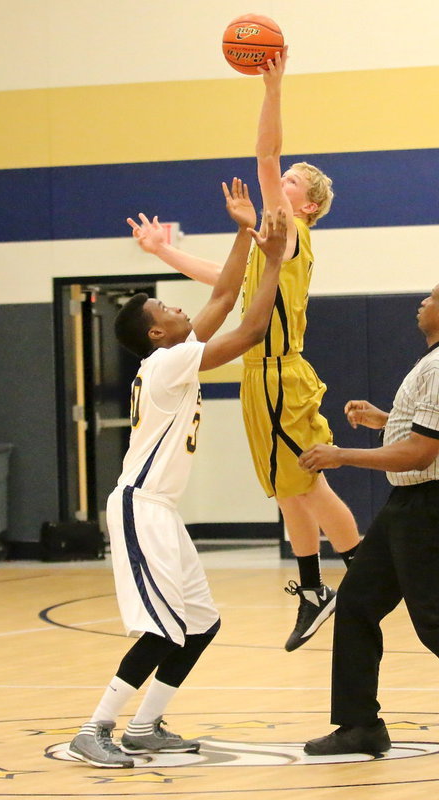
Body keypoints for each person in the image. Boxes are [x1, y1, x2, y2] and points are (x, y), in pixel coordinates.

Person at [126, 47, 360, 653]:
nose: (278, 188)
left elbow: (265, 153)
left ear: (306, 206)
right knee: (286, 487)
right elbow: (218, 278)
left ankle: (365, 573)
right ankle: (313, 589)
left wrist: (273, 90)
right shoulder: (266, 247)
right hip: (261, 375)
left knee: (309, 484)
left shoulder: (291, 230)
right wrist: (160, 253)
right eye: (283, 183)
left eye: (289, 186)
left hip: (281, 370)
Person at [68, 182, 287, 768]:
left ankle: (144, 726)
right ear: (156, 333)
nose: (179, 307)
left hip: (160, 510)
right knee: (167, 630)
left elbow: (221, 292)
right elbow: (250, 330)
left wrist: (244, 229)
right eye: (167, 310)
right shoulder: (167, 363)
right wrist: (272, 264)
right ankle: (95, 728)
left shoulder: (173, 353)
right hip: (140, 507)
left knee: (201, 625)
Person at [299, 279, 439, 755]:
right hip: (411, 507)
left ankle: (360, 726)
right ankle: (360, 727)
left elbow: (419, 454)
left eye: (431, 298)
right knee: (355, 605)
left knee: (435, 624)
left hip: (432, 506)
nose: (423, 301)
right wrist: (386, 419)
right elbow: (437, 433)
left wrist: (341, 455)